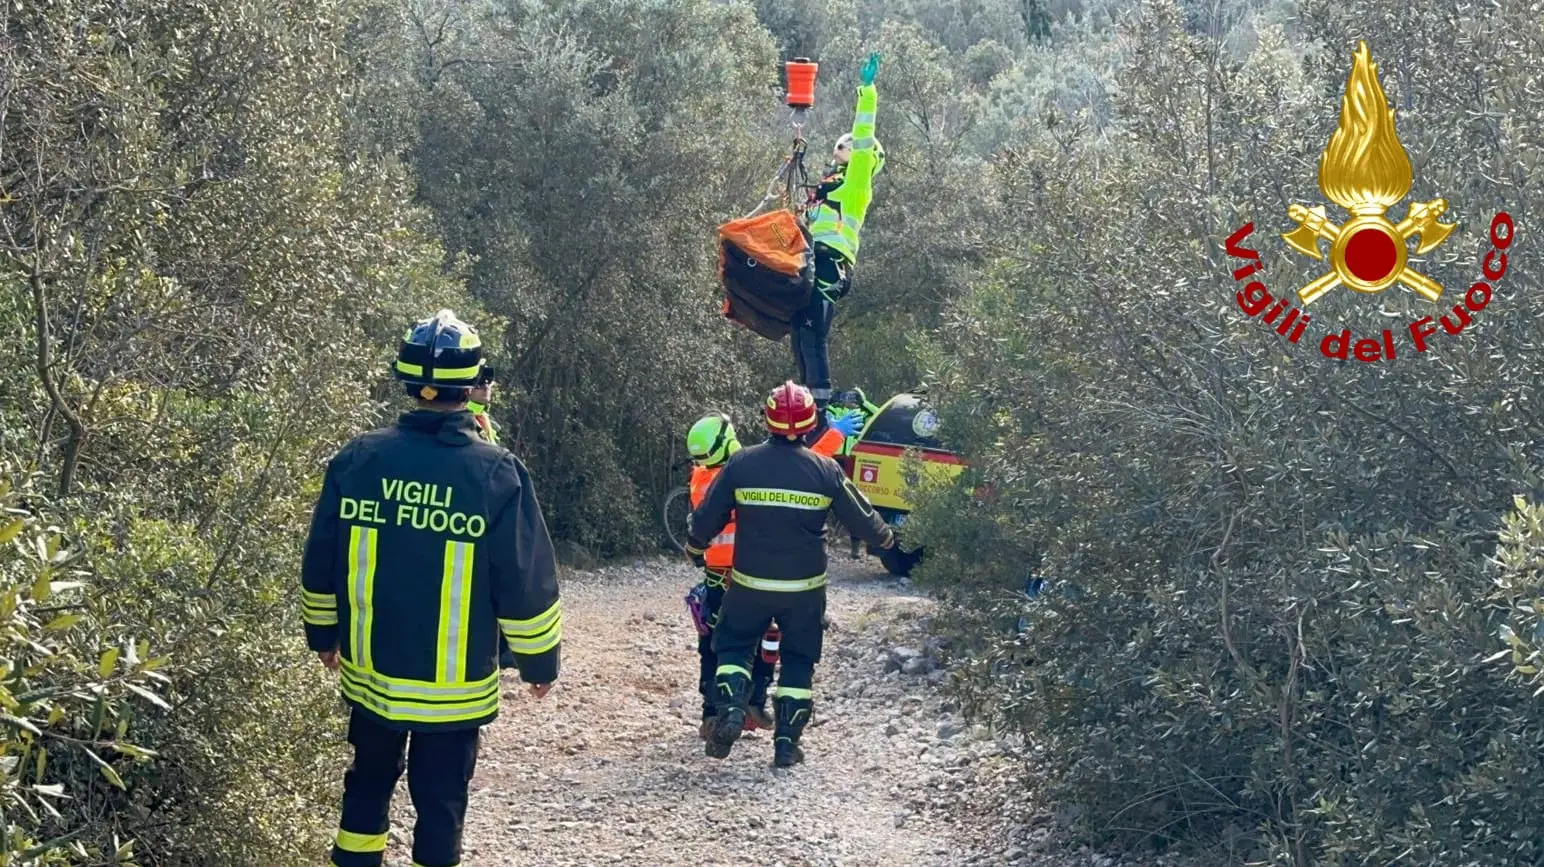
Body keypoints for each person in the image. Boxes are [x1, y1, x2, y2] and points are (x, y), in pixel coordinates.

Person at [301, 309, 562, 867]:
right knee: (441, 802)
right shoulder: (496, 472)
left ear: (405, 380)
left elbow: (322, 557)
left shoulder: (359, 458)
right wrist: (539, 663)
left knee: (367, 781)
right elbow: (524, 579)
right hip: (454, 688)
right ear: (473, 386)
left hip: (372, 674)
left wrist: (323, 632)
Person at [685, 381, 895, 767]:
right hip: (804, 590)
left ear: (766, 420)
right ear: (811, 421)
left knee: (732, 645)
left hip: (748, 583)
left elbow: (705, 520)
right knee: (798, 659)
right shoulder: (825, 469)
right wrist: (886, 539)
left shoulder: (742, 463)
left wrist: (695, 548)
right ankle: (786, 744)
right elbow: (865, 522)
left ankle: (731, 709)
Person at [791, 52, 885, 420]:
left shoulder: (858, 184)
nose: (841, 151)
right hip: (816, 259)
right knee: (801, 327)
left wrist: (868, 91)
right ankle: (805, 395)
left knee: (813, 327)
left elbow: (863, 136)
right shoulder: (833, 187)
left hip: (832, 263)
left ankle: (820, 399)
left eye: (845, 148)